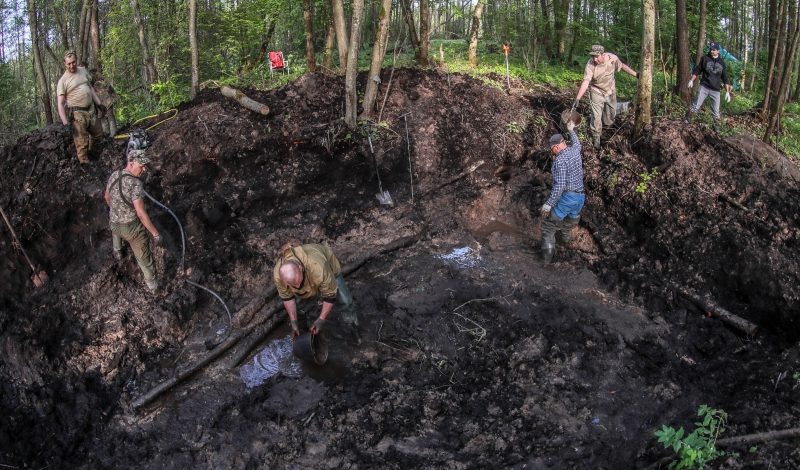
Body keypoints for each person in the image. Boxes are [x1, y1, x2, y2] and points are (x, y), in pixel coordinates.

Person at [104, 150, 162, 291]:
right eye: (141, 166)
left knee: (116, 230)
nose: (143, 170)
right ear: (131, 163)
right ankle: (153, 287)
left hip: (114, 225)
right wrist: (155, 234)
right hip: (131, 229)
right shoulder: (135, 184)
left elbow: (106, 197)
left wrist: (117, 211)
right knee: (144, 258)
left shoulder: (114, 175)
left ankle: (118, 251)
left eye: (145, 167)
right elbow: (141, 214)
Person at [273, 242, 355, 338]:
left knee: (345, 301)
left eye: (298, 282)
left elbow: (330, 295)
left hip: (328, 267)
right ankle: (306, 331)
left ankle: (352, 326)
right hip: (311, 275)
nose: (298, 286)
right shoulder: (278, 275)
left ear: (301, 268)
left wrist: (321, 319)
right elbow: (287, 298)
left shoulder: (319, 268)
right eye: (294, 285)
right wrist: (294, 322)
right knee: (302, 306)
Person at [573, 44, 638, 150]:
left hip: (610, 91)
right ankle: (596, 142)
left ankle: (607, 129)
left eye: (596, 56)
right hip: (596, 92)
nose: (594, 59)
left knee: (609, 118)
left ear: (602, 55)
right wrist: (578, 98)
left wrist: (636, 74)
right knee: (596, 118)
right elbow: (586, 82)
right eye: (592, 56)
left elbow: (623, 66)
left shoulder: (612, 58)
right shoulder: (590, 65)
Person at [540, 120, 585, 263]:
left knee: (548, 227)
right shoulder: (574, 150)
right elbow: (577, 142)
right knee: (568, 223)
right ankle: (565, 244)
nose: (552, 151)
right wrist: (571, 130)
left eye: (552, 148)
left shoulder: (560, 161)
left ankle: (546, 261)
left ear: (558, 146)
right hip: (580, 199)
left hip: (567, 198)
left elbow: (559, 186)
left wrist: (548, 204)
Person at [57, 51, 106, 164]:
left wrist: (99, 104)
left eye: (73, 62)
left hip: (91, 109)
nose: (71, 65)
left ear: (76, 60)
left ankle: (96, 157)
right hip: (77, 114)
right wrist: (65, 124)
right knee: (81, 142)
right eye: (68, 63)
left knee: (99, 135)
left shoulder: (83, 71)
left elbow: (90, 88)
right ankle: (85, 164)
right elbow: (60, 103)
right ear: (65, 64)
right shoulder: (63, 81)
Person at [684, 42, 733, 132]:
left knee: (716, 112)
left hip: (716, 90)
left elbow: (725, 78)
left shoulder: (722, 63)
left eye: (714, 50)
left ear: (718, 51)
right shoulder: (705, 58)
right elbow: (698, 69)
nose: (711, 51)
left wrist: (727, 92)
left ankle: (716, 130)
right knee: (695, 106)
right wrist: (692, 80)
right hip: (704, 86)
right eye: (710, 49)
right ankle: (686, 120)